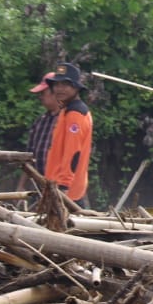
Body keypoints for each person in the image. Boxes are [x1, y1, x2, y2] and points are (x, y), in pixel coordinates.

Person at [43, 62, 93, 206]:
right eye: (56, 85)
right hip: (57, 187)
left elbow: (73, 153)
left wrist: (64, 186)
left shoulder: (75, 114)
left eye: (65, 84)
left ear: (76, 87)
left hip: (67, 192)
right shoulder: (67, 110)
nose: (59, 89)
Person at [25, 72, 59, 177]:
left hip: (61, 186)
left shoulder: (68, 121)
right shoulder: (40, 122)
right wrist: (21, 185)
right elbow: (29, 158)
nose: (40, 97)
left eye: (43, 93)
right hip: (40, 185)